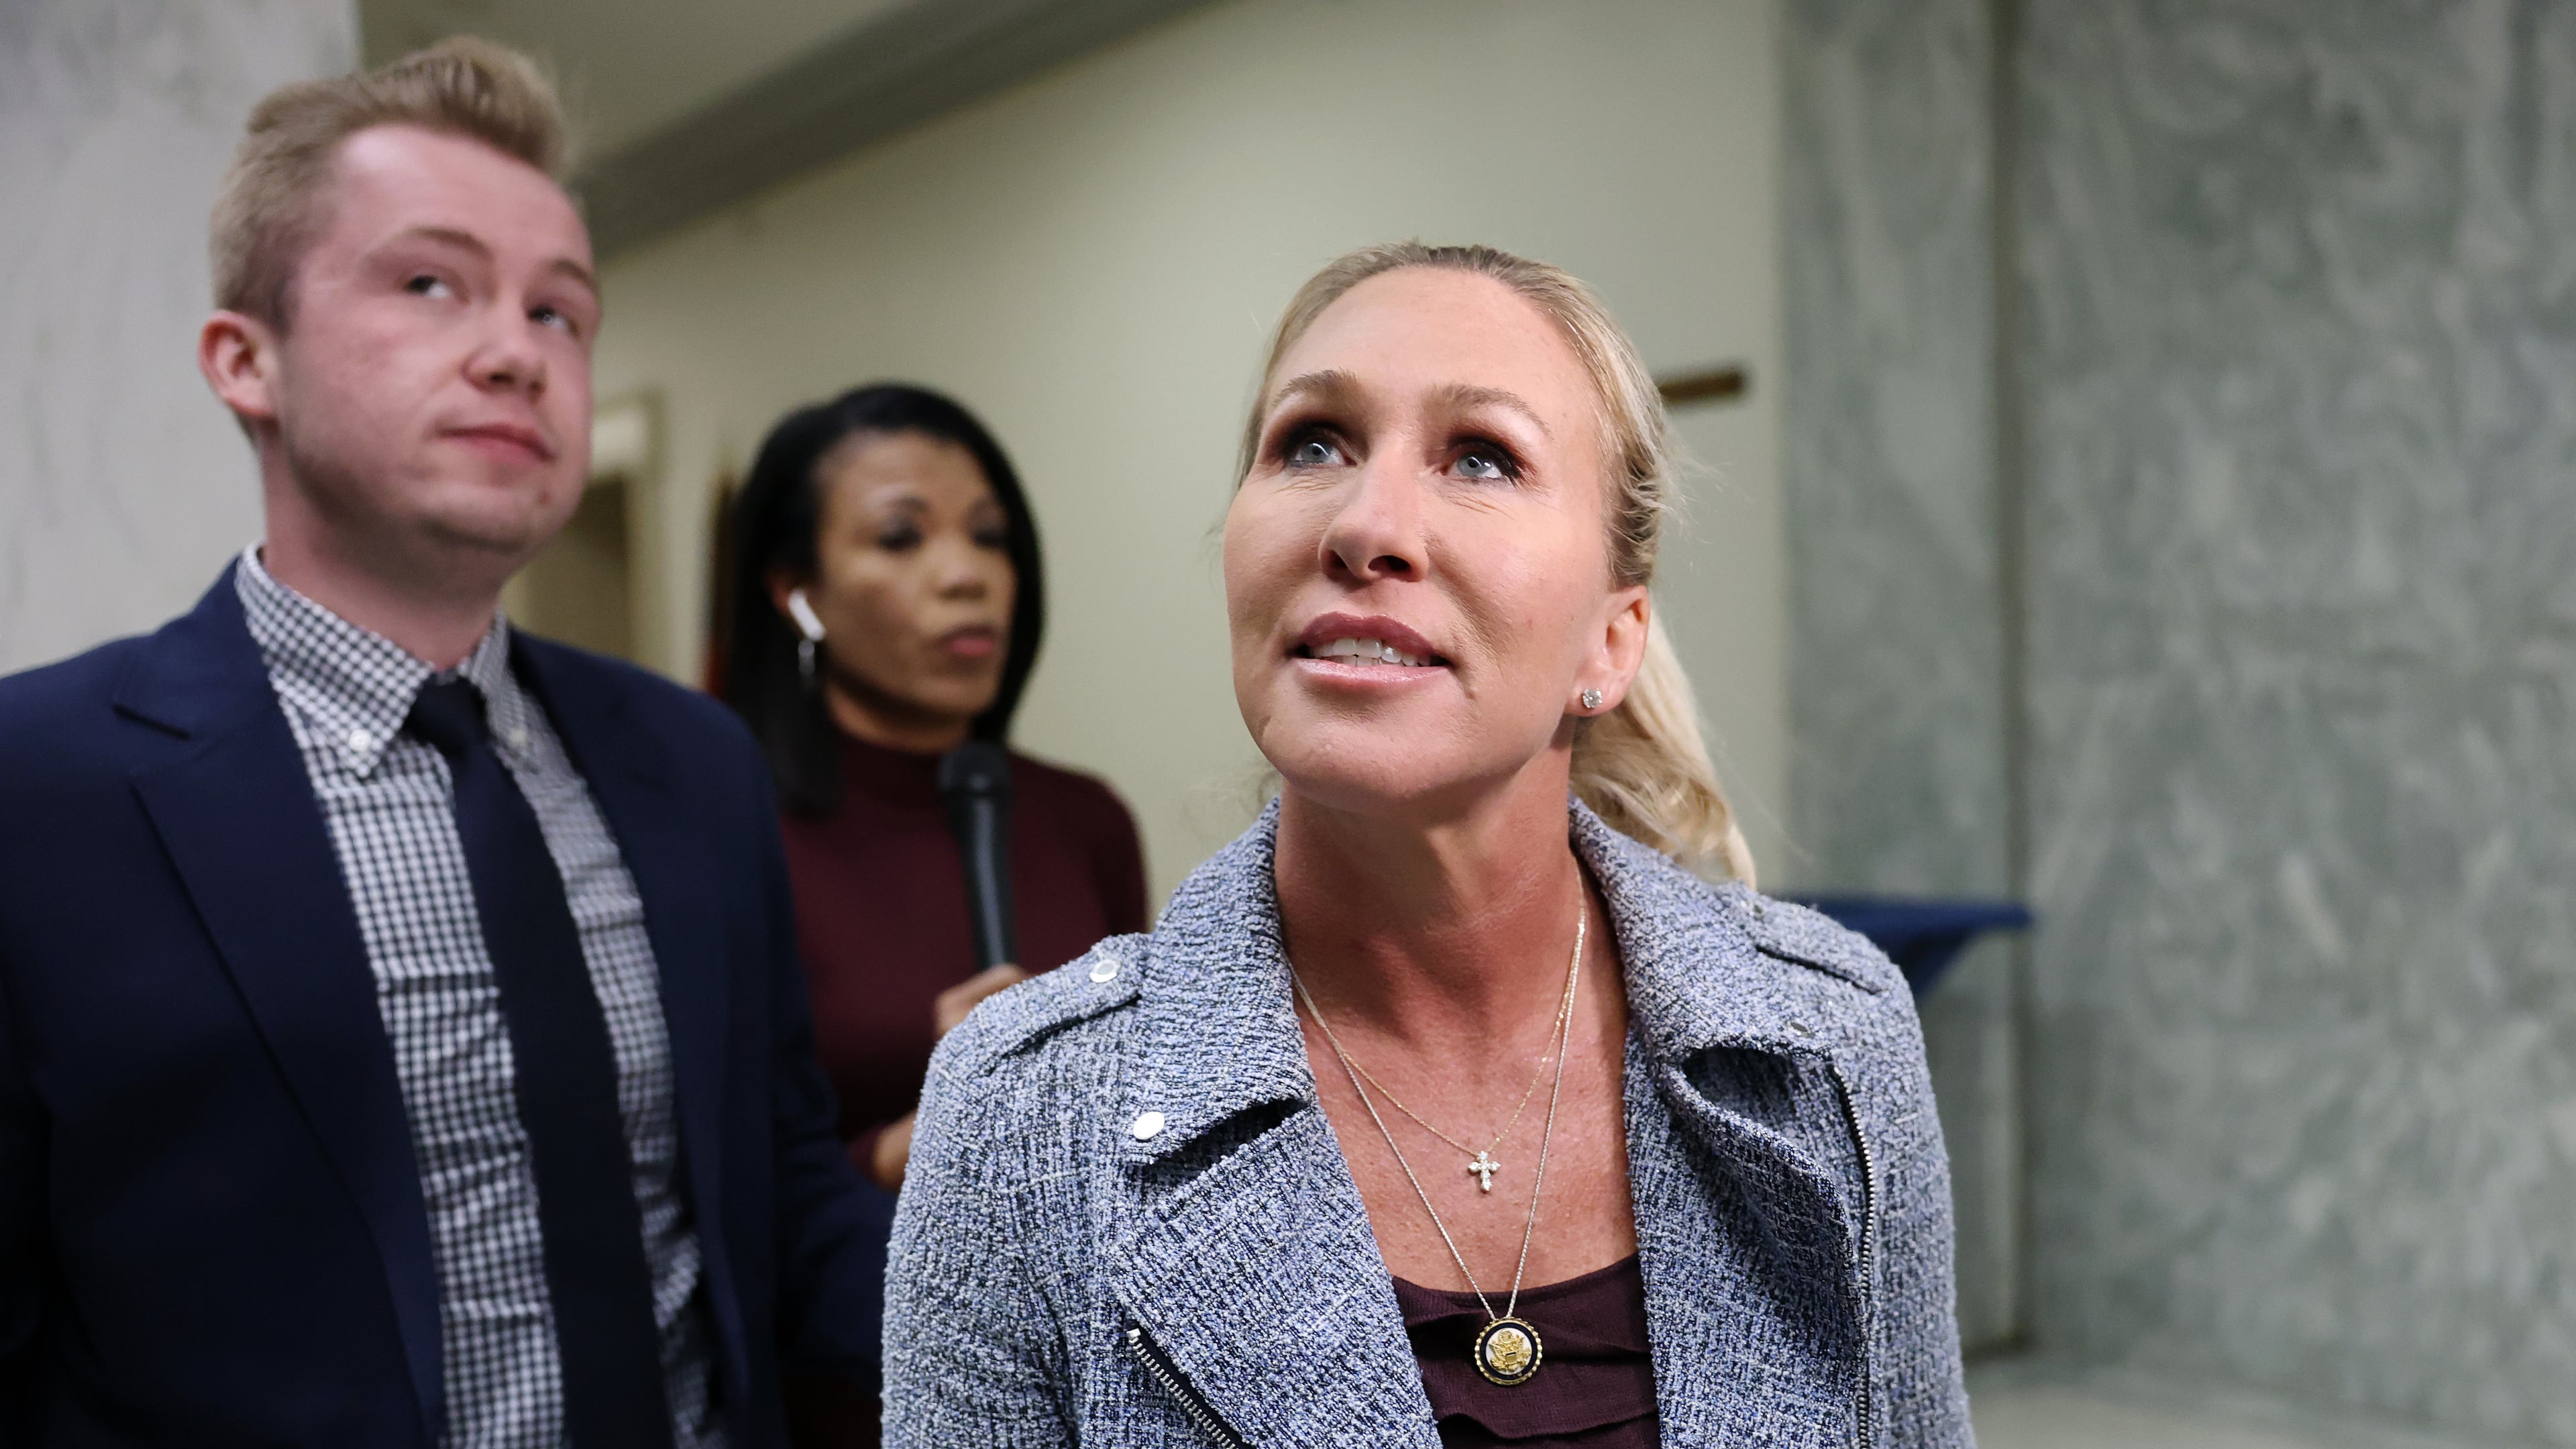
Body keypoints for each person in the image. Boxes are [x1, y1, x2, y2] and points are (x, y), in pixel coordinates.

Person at [883, 242, 1972, 1448]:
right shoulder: (1026, 1113)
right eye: (1313, 443)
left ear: (1611, 644)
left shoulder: (1830, 1044)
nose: (1365, 524)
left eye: (1482, 458)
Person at [0, 40, 880, 1447]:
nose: (514, 353)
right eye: (430, 284)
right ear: (248, 359)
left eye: (561, 313)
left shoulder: (694, 762)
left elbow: (776, 1184)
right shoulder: (39, 785)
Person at [719, 384, 1148, 1446]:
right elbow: (703, 1182)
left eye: (991, 538)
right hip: (839, 1389)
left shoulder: (1082, 818)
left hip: (1083, 1384)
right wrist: (906, 1146)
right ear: (796, 592)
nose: (967, 575)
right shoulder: (729, 830)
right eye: (903, 538)